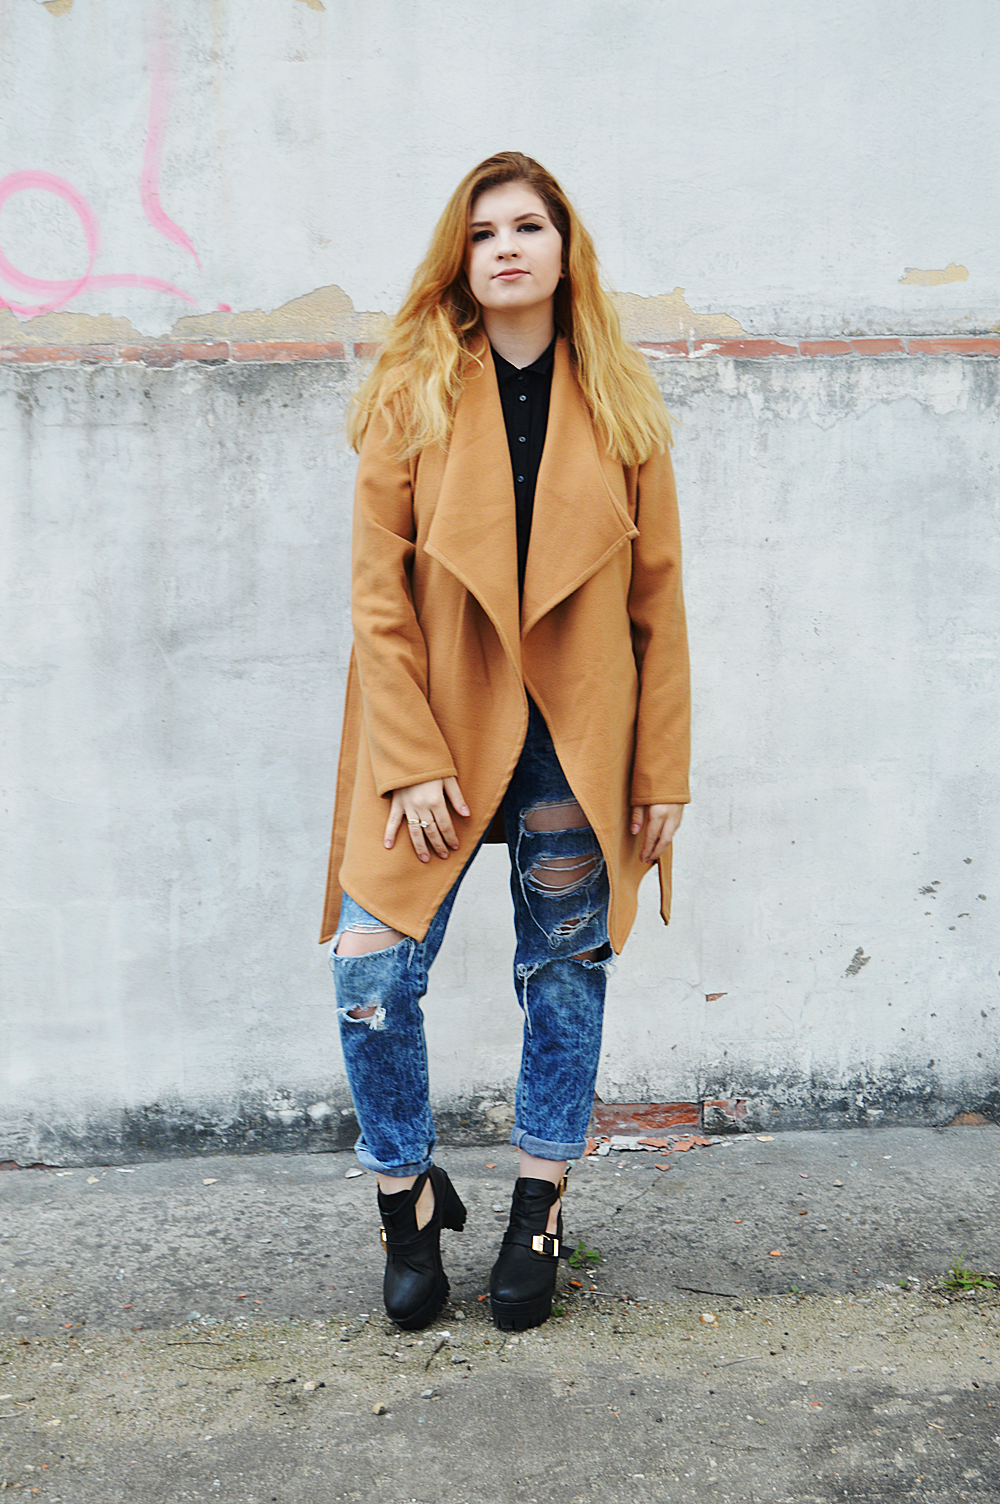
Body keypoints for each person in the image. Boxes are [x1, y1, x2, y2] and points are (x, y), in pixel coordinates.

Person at [320, 151, 690, 1333]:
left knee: (566, 972)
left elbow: (658, 601)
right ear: (461, 260)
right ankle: (405, 1198)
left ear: (564, 250)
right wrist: (408, 755)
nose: (506, 248)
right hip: (435, 726)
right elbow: (377, 597)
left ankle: (539, 1204)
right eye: (483, 234)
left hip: (575, 731)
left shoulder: (622, 401)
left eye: (527, 226)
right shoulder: (413, 390)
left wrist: (661, 768)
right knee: (371, 969)